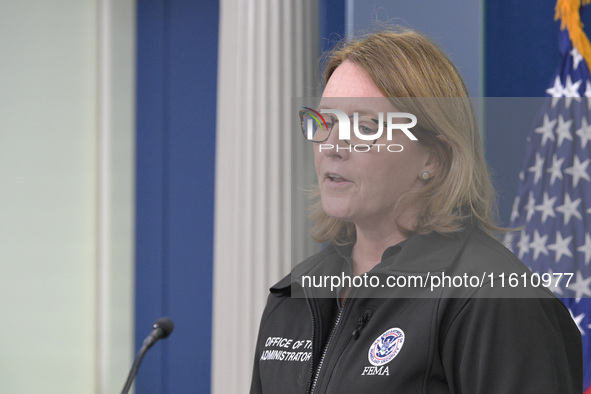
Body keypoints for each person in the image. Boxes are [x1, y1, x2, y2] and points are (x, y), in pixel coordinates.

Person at [250, 28, 582, 393]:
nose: (332, 146)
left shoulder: (495, 300)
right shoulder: (296, 293)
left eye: (364, 126)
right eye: (326, 121)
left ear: (433, 158)